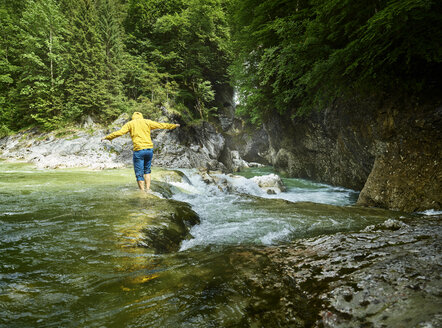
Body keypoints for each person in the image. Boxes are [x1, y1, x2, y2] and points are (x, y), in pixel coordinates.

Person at [101, 112, 180, 191]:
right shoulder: (147, 122)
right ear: (141, 116)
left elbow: (119, 132)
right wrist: (173, 126)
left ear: (133, 117)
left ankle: (142, 192)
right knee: (147, 171)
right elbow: (160, 125)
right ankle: (148, 189)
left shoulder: (130, 124)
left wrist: (107, 137)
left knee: (139, 173)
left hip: (139, 150)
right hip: (149, 149)